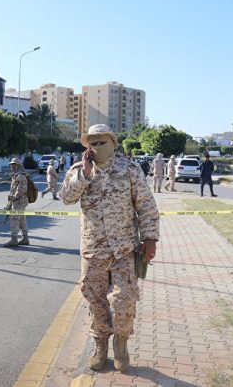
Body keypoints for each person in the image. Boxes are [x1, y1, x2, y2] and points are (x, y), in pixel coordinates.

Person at [59, 124, 160, 373]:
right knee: (95, 301)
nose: (97, 147)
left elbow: (145, 204)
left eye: (101, 142)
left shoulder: (129, 169)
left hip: (124, 249)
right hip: (93, 250)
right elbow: (66, 198)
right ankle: (100, 345)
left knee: (125, 299)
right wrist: (85, 174)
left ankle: (121, 343)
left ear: (113, 143)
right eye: (92, 143)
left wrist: (150, 238)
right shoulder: (79, 169)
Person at [3, 158, 29, 247]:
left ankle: (14, 239)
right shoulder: (16, 175)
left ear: (18, 166)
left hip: (19, 201)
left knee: (14, 219)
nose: (11, 166)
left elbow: (22, 190)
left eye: (13, 164)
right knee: (22, 219)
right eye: (11, 164)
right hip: (18, 201)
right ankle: (25, 238)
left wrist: (13, 197)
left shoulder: (20, 176)